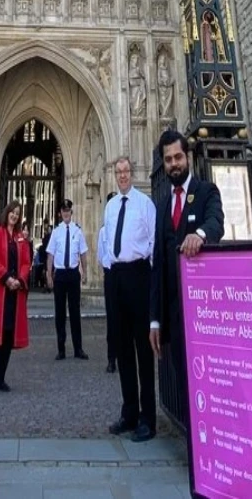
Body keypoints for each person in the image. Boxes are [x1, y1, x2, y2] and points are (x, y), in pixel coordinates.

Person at [149, 130, 225, 423]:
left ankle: (212, 446)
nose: (173, 164)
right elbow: (157, 265)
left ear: (188, 157)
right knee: (184, 382)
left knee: (209, 383)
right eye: (168, 160)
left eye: (177, 157)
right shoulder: (163, 205)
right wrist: (155, 319)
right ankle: (195, 445)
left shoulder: (206, 192)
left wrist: (200, 235)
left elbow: (216, 221)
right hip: (174, 314)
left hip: (204, 311)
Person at [104, 157, 157, 442]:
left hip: (138, 274)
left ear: (132, 174)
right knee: (122, 347)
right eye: (118, 172)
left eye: (126, 172)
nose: (122, 176)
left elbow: (154, 244)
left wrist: (149, 279)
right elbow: (108, 243)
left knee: (142, 349)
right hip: (116, 276)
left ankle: (148, 418)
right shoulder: (111, 207)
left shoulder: (145, 204)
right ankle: (129, 412)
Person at [0, 200, 31, 397]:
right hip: (1, 292)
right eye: (12, 212)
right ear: (7, 213)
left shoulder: (21, 238)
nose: (14, 215)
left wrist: (19, 280)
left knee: (8, 338)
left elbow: (27, 262)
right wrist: (6, 278)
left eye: (17, 213)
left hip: (14, 293)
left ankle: (2, 378)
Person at [46, 199, 89, 360]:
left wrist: (84, 272)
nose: (66, 213)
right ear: (60, 213)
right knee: (60, 313)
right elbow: (50, 254)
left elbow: (83, 253)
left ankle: (78, 348)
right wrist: (48, 274)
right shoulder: (56, 232)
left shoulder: (78, 231)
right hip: (60, 275)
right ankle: (61, 349)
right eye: (63, 211)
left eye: (68, 211)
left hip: (72, 274)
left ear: (71, 212)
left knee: (75, 311)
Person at [97, 191, 117, 374]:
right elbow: (100, 254)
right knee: (112, 319)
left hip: (127, 273)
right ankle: (112, 359)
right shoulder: (103, 230)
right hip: (111, 274)